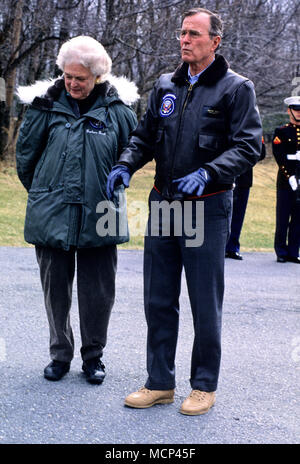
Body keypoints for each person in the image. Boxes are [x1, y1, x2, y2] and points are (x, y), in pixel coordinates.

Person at [107, 8, 262, 415]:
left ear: (215, 42)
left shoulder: (235, 89)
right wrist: (125, 163)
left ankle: (204, 386)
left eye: (194, 34)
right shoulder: (165, 85)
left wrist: (210, 172)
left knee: (203, 300)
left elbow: (249, 146)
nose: (185, 39)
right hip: (163, 203)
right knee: (158, 297)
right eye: (182, 33)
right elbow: (144, 136)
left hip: (206, 207)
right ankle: (159, 382)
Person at [16, 36, 138, 383]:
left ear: (96, 76)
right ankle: (59, 355)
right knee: (55, 290)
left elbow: (135, 153)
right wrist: (45, 191)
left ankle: (93, 357)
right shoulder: (44, 106)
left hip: (101, 213)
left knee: (98, 293)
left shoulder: (119, 112)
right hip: (52, 211)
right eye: (67, 76)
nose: (71, 83)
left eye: (79, 78)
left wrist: (112, 182)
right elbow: (26, 158)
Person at [225, 137, 266, 260]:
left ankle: (232, 247)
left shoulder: (252, 128)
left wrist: (244, 157)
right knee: (222, 213)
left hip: (244, 177)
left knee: (238, 214)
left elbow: (261, 152)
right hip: (225, 175)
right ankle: (220, 247)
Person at [272, 95, 300, 263]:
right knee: (283, 216)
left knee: (298, 218)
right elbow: (279, 155)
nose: (299, 113)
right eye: (296, 110)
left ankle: (293, 251)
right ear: (289, 111)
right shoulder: (281, 131)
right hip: (285, 180)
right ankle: (281, 251)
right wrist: (289, 176)